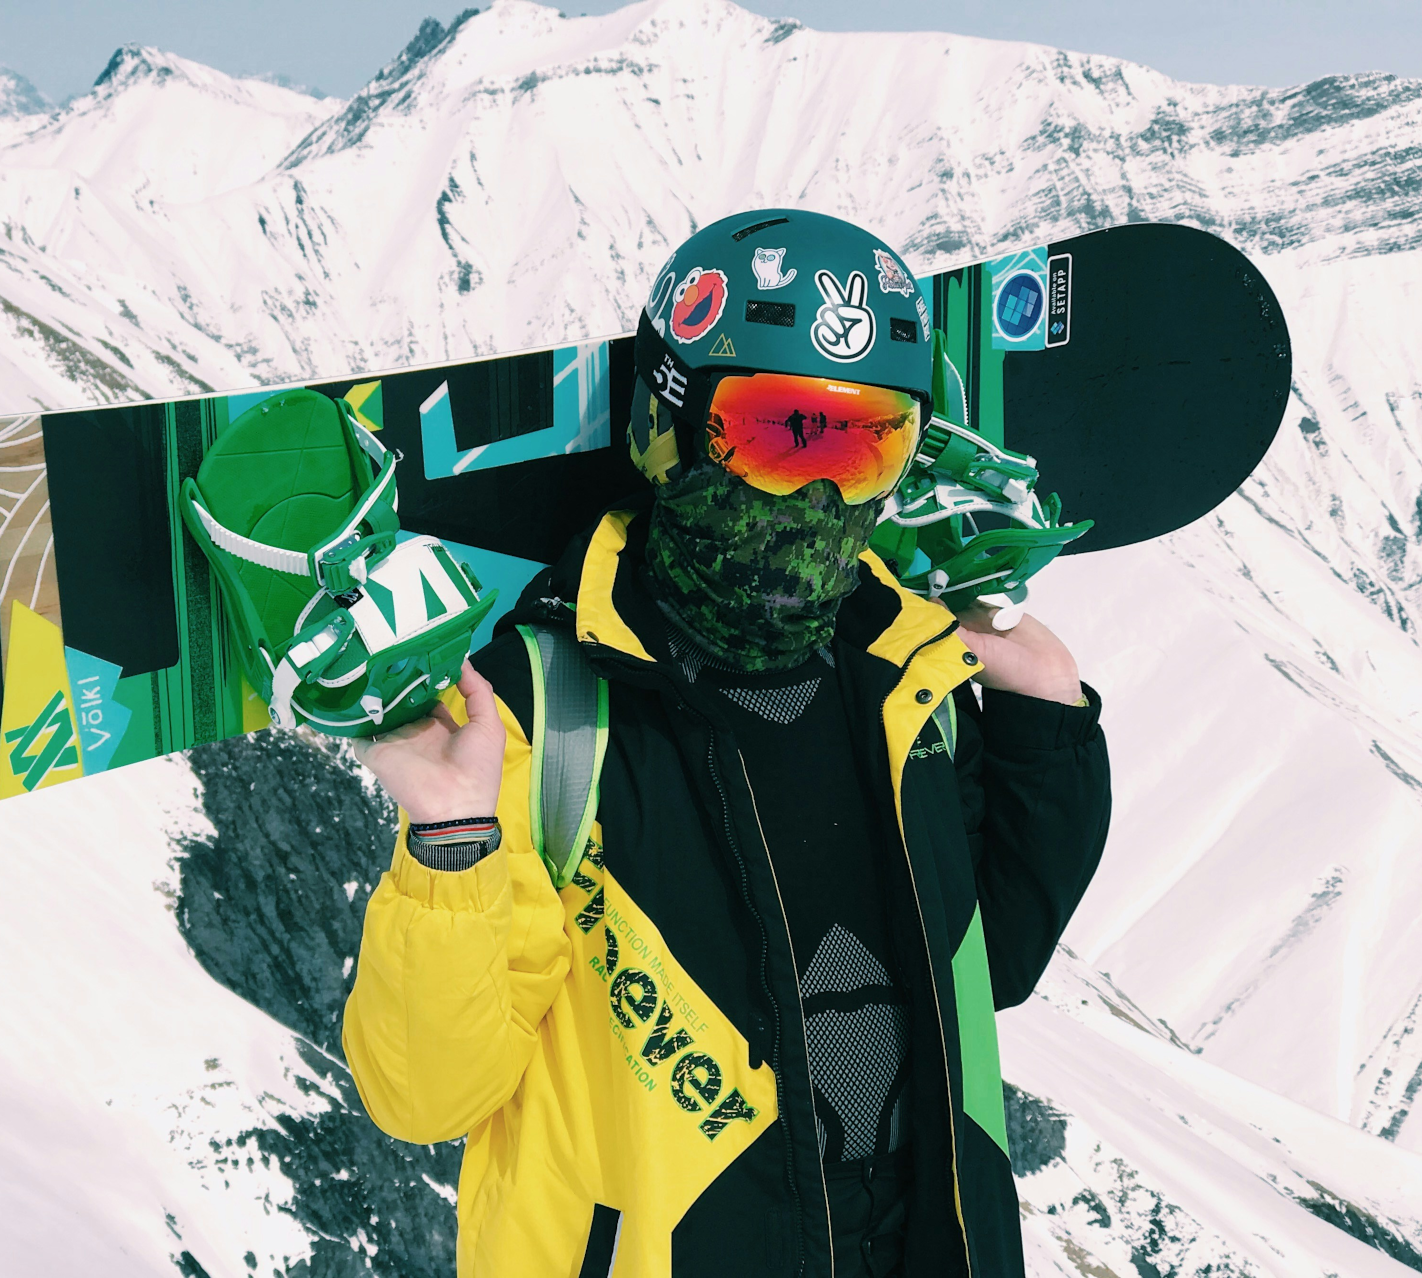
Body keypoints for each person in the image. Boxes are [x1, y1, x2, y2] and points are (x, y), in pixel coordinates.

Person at [341, 209, 1111, 1278]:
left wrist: (1036, 700)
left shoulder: (907, 683)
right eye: (775, 432)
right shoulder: (540, 708)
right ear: (670, 427)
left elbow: (992, 965)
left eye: (862, 440)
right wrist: (453, 840)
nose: (821, 492)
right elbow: (426, 1094)